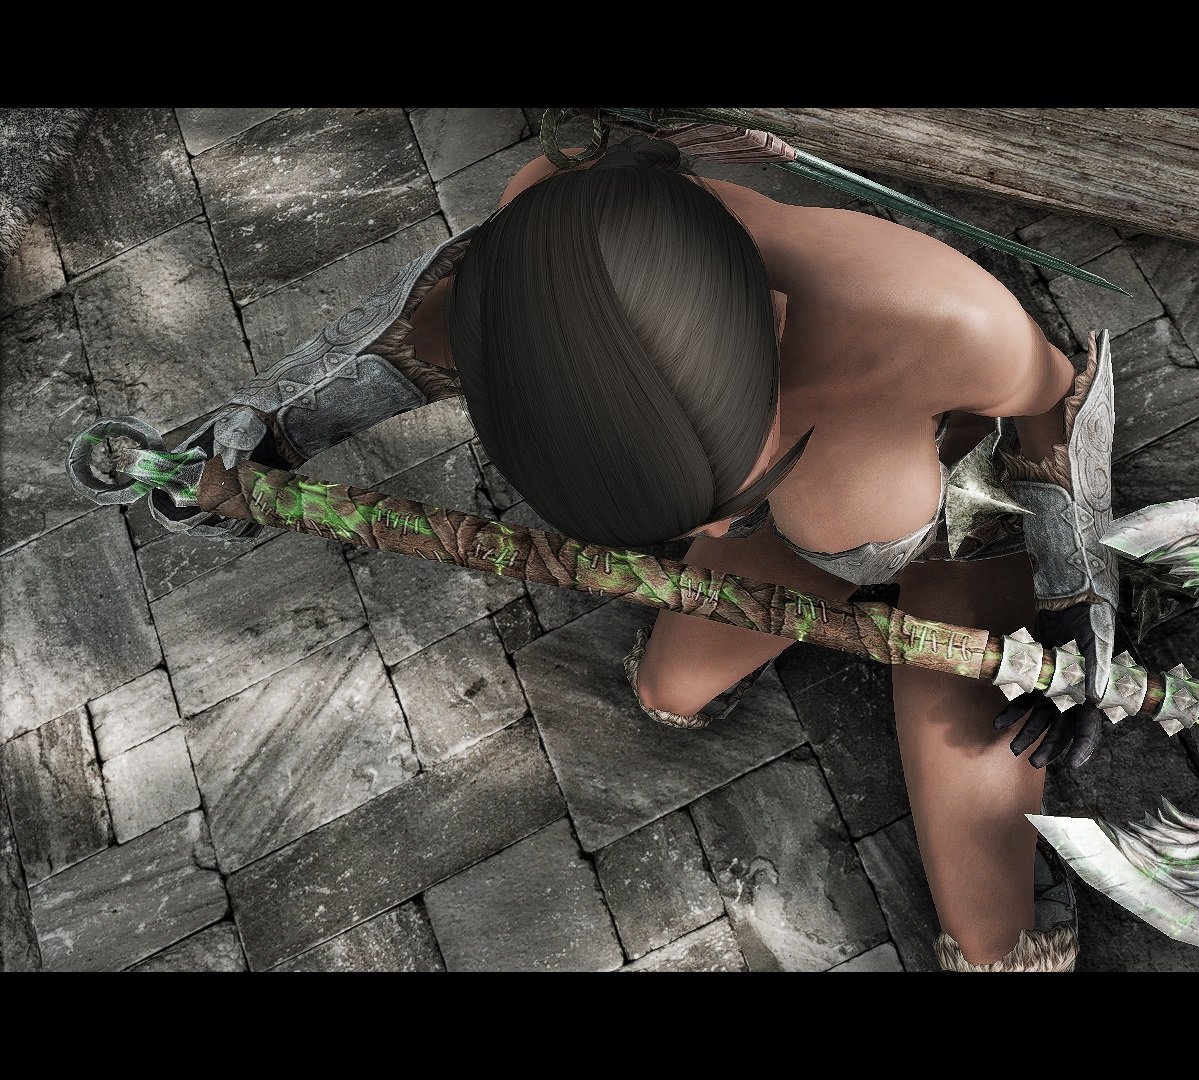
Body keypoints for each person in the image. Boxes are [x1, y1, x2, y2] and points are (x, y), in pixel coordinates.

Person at [171, 130, 1120, 971]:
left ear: (774, 329)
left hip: (966, 525)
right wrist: (264, 437)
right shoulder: (539, 273)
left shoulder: (939, 322)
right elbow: (391, 345)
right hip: (809, 535)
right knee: (670, 691)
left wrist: (1075, 598)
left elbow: (1054, 408)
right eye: (702, 515)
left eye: (726, 496)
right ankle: (803, 541)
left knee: (998, 952)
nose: (704, 540)